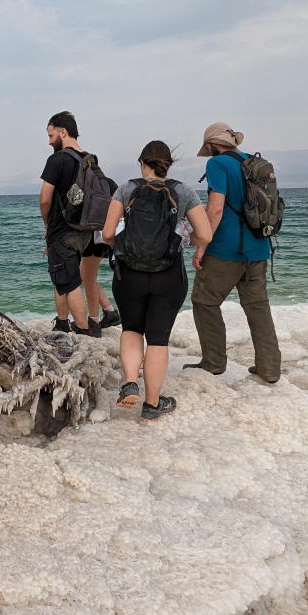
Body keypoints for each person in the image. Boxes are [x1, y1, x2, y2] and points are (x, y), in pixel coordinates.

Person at [103, 140, 211, 420]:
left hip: (129, 275)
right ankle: (152, 404)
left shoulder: (127, 189)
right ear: (168, 166)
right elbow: (205, 235)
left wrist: (131, 245)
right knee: (158, 339)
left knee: (131, 328)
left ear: (142, 163)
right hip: (169, 276)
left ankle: (130, 382)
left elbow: (107, 234)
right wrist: (179, 242)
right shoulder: (182, 191)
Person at [183, 122, 282, 382]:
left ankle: (213, 363)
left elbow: (215, 208)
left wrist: (201, 245)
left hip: (225, 249)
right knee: (258, 308)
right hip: (259, 247)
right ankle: (270, 369)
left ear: (210, 145)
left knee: (204, 301)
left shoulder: (217, 163)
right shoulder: (255, 163)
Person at [39, 111, 98, 336]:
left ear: (63, 132)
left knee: (71, 282)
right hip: (85, 229)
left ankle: (83, 330)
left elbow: (45, 199)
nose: (49, 141)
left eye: (51, 135)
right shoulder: (91, 159)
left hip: (62, 231)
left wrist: (48, 226)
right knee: (61, 275)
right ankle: (63, 323)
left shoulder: (57, 159)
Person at [80, 174, 122, 331]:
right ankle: (110, 312)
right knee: (84, 277)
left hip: (92, 236)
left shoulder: (86, 185)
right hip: (104, 234)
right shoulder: (108, 183)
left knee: (89, 280)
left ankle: (94, 322)